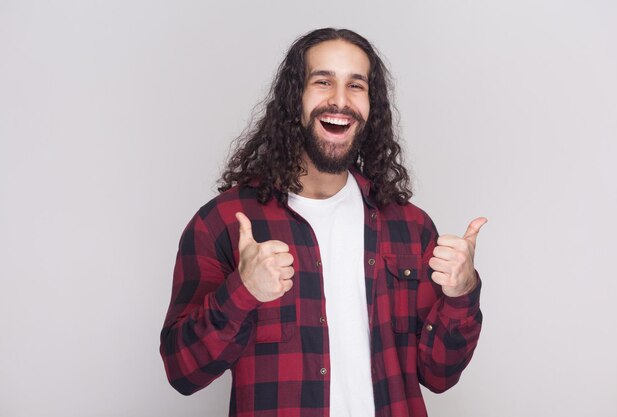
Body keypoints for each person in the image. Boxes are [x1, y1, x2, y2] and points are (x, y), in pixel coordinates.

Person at [160, 27, 486, 417]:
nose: (339, 100)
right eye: (323, 82)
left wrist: (462, 293)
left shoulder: (410, 227)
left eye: (356, 86)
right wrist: (243, 291)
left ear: (371, 106)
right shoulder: (225, 222)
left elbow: (439, 374)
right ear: (294, 98)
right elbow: (182, 371)